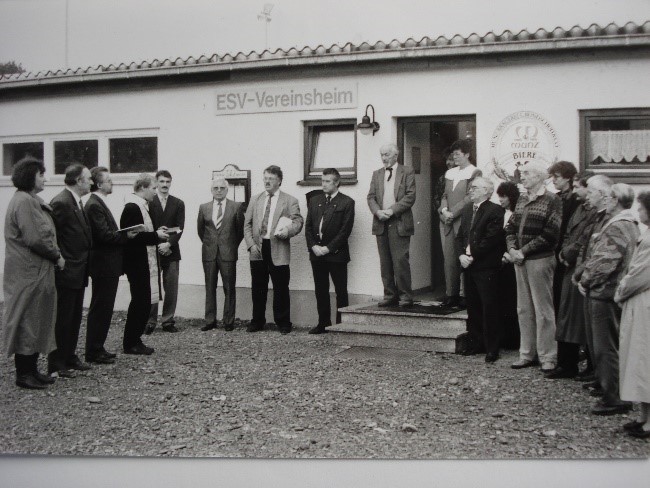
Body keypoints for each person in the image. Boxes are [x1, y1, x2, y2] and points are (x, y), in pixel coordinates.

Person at [578, 181, 639, 416]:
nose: (605, 200)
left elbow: (603, 262)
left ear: (616, 200)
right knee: (612, 345)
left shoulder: (616, 226)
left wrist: (585, 280)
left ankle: (613, 397)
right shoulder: (631, 224)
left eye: (609, 197)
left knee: (605, 347)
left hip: (605, 293)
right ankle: (618, 393)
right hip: (614, 291)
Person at [4, 157, 64, 389]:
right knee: (28, 320)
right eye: (41, 175)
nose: (45, 179)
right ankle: (24, 374)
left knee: (35, 318)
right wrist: (57, 256)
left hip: (33, 271)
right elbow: (35, 238)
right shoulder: (25, 201)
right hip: (29, 272)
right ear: (30, 177)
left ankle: (32, 370)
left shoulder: (29, 200)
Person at [505, 160, 562, 373]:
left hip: (540, 260)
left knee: (543, 310)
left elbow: (551, 233)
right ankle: (526, 354)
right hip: (520, 260)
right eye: (522, 173)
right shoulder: (521, 198)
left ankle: (548, 356)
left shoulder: (552, 200)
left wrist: (524, 251)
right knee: (523, 309)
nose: (522, 177)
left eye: (526, 173)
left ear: (539, 177)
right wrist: (512, 249)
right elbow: (510, 227)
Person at [84, 167, 139, 364]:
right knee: (101, 307)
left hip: (107, 265)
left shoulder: (98, 203)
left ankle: (98, 347)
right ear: (99, 184)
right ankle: (93, 350)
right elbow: (104, 236)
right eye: (108, 180)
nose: (112, 182)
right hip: (103, 265)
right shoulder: (94, 205)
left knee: (104, 308)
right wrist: (127, 235)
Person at [546, 171, 596, 380]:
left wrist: (568, 254)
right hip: (569, 265)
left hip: (579, 267)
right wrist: (563, 253)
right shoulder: (579, 208)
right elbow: (567, 233)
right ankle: (567, 364)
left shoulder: (594, 212)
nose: (574, 191)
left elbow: (585, 238)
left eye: (578, 187)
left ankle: (589, 367)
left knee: (582, 320)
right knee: (566, 316)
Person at [244, 165, 303, 334]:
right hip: (258, 247)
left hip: (278, 247)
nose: (267, 181)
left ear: (279, 181)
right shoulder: (255, 199)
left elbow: (298, 222)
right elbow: (247, 224)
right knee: (258, 286)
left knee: (281, 287)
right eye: (265, 178)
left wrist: (288, 231)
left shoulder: (289, 200)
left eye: (271, 178)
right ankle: (257, 321)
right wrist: (251, 245)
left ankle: (283, 322)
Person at [48, 163, 93, 377]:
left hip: (79, 269)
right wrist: (61, 260)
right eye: (88, 178)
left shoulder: (75, 201)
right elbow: (53, 236)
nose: (92, 182)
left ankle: (69, 355)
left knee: (74, 317)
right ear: (78, 181)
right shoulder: (61, 202)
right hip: (67, 270)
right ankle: (57, 362)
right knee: (63, 318)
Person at [456, 177, 505, 362]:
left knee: (489, 307)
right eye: (471, 188)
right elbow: (460, 236)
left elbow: (491, 238)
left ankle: (492, 348)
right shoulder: (468, 209)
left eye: (475, 188)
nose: (471, 190)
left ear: (487, 191)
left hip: (485, 266)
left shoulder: (495, 210)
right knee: (473, 307)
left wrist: (471, 255)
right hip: (469, 266)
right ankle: (476, 343)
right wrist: (461, 255)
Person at [120, 174, 169, 354]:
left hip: (143, 262)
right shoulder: (132, 207)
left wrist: (156, 232)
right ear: (142, 188)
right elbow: (131, 237)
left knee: (144, 301)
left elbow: (141, 232)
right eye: (153, 188)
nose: (156, 192)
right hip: (137, 264)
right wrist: (156, 236)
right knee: (140, 302)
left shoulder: (141, 206)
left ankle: (135, 339)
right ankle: (131, 342)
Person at [615, 191, 650, 438]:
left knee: (644, 358)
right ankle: (643, 416)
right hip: (640, 302)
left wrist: (621, 291)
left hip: (644, 302)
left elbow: (639, 274)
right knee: (638, 358)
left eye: (642, 208)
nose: (638, 212)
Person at [305, 168, 355, 334]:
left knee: (340, 291)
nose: (324, 184)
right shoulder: (315, 200)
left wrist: (328, 248)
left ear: (337, 182)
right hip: (317, 253)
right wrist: (313, 246)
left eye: (327, 181)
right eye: (322, 181)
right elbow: (308, 227)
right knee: (321, 290)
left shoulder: (347, 202)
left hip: (336, 254)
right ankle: (323, 323)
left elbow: (345, 231)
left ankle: (341, 325)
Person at [367, 143, 416, 307]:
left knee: (400, 261)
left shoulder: (407, 171)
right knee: (385, 261)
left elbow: (410, 196)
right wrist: (377, 212)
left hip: (399, 222)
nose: (383, 158)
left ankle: (405, 296)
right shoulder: (376, 174)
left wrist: (391, 211)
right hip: (381, 222)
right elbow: (371, 197)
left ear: (396, 155)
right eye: (382, 154)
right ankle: (389, 295)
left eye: (386, 154)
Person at [197, 177, 245, 331]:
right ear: (211, 190)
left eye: (222, 188)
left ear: (227, 190)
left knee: (229, 288)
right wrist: (211, 244)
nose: (219, 191)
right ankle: (210, 320)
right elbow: (201, 231)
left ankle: (228, 321)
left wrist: (230, 246)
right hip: (209, 253)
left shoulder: (236, 207)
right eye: (215, 188)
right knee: (209, 287)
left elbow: (240, 231)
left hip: (228, 253)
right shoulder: (204, 207)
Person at [438, 139, 480, 307]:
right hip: (448, 221)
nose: (454, 157)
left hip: (464, 220)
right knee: (449, 259)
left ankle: (465, 295)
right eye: (453, 154)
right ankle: (451, 294)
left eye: (457, 154)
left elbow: (470, 197)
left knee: (465, 257)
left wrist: (453, 212)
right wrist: (444, 211)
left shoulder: (474, 172)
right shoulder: (450, 173)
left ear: (467, 154)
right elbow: (444, 195)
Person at [146, 170, 185, 334]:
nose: (164, 185)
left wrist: (168, 244)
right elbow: (147, 226)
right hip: (152, 250)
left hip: (171, 251)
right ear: (156, 182)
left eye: (167, 182)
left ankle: (168, 320)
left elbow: (179, 228)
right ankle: (150, 321)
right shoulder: (149, 201)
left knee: (171, 287)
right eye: (162, 181)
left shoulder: (178, 203)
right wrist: (158, 244)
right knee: (152, 286)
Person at [547, 161, 580, 313]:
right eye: (552, 176)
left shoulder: (576, 199)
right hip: (553, 249)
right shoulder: (555, 197)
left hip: (566, 250)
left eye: (557, 176)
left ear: (568, 178)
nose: (553, 180)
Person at [495, 181, 520, 350]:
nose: (501, 200)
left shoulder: (517, 214)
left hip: (513, 260)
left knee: (513, 300)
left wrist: (509, 254)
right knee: (502, 300)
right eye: (499, 196)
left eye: (503, 196)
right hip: (501, 261)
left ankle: (514, 339)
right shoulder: (500, 213)